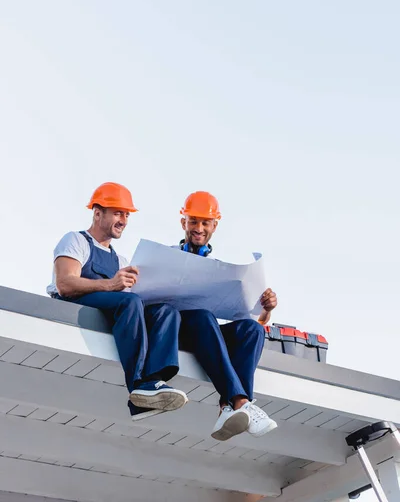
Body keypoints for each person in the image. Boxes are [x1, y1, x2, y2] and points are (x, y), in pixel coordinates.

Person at [47, 182, 187, 420]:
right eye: (118, 213)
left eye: (126, 214)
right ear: (98, 212)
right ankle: (138, 385)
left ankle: (152, 382)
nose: (123, 220)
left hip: (114, 310)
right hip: (76, 306)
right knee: (129, 303)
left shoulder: (121, 260)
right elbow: (65, 284)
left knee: (167, 312)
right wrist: (111, 284)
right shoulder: (76, 241)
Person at [177, 191, 278, 441]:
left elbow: (257, 321)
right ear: (183, 223)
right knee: (202, 317)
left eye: (205, 223)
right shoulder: (165, 257)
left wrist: (266, 309)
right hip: (176, 330)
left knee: (251, 330)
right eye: (193, 222)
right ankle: (241, 402)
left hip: (206, 333)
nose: (199, 228)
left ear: (214, 226)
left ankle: (227, 408)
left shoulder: (219, 268)